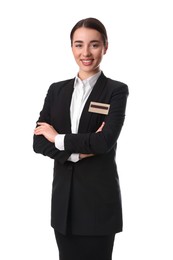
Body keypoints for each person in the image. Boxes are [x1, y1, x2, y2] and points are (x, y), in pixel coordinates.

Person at [33, 17, 129, 260]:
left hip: (98, 205)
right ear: (71, 47)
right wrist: (79, 150)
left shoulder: (116, 90)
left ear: (105, 47)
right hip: (63, 206)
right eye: (79, 44)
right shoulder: (57, 90)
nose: (86, 52)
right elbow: (38, 142)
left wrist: (58, 138)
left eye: (94, 44)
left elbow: (104, 142)